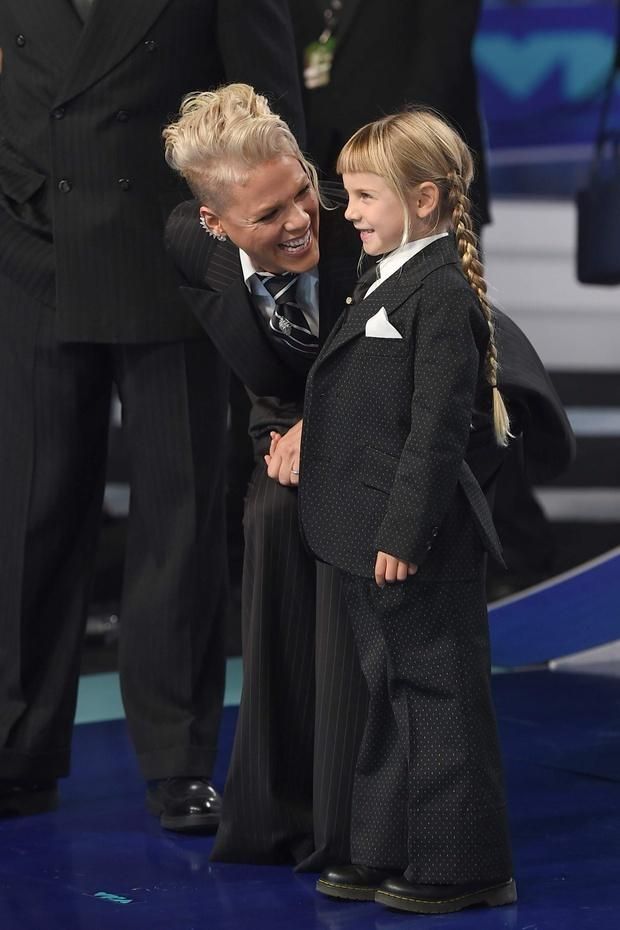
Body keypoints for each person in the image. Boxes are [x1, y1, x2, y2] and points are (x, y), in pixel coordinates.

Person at [0, 0, 304, 832]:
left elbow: (269, 106)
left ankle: (177, 762)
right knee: (30, 508)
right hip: (29, 247)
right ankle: (15, 751)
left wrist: (270, 256)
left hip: (168, 257)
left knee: (181, 513)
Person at [298, 109, 519, 914]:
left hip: (410, 534)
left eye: (362, 194)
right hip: (368, 527)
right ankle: (388, 844)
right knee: (391, 689)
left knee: (439, 695)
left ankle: (465, 862)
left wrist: (403, 530)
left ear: (423, 199)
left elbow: (435, 432)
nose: (345, 209)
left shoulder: (440, 293)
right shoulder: (388, 273)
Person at [163, 83, 367, 869]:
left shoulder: (369, 217)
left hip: (407, 429)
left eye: (301, 192)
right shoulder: (189, 239)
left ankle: (362, 808)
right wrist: (288, 432)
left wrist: (333, 421)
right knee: (275, 516)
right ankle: (281, 805)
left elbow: (438, 352)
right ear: (217, 225)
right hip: (290, 436)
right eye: (269, 216)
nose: (298, 221)